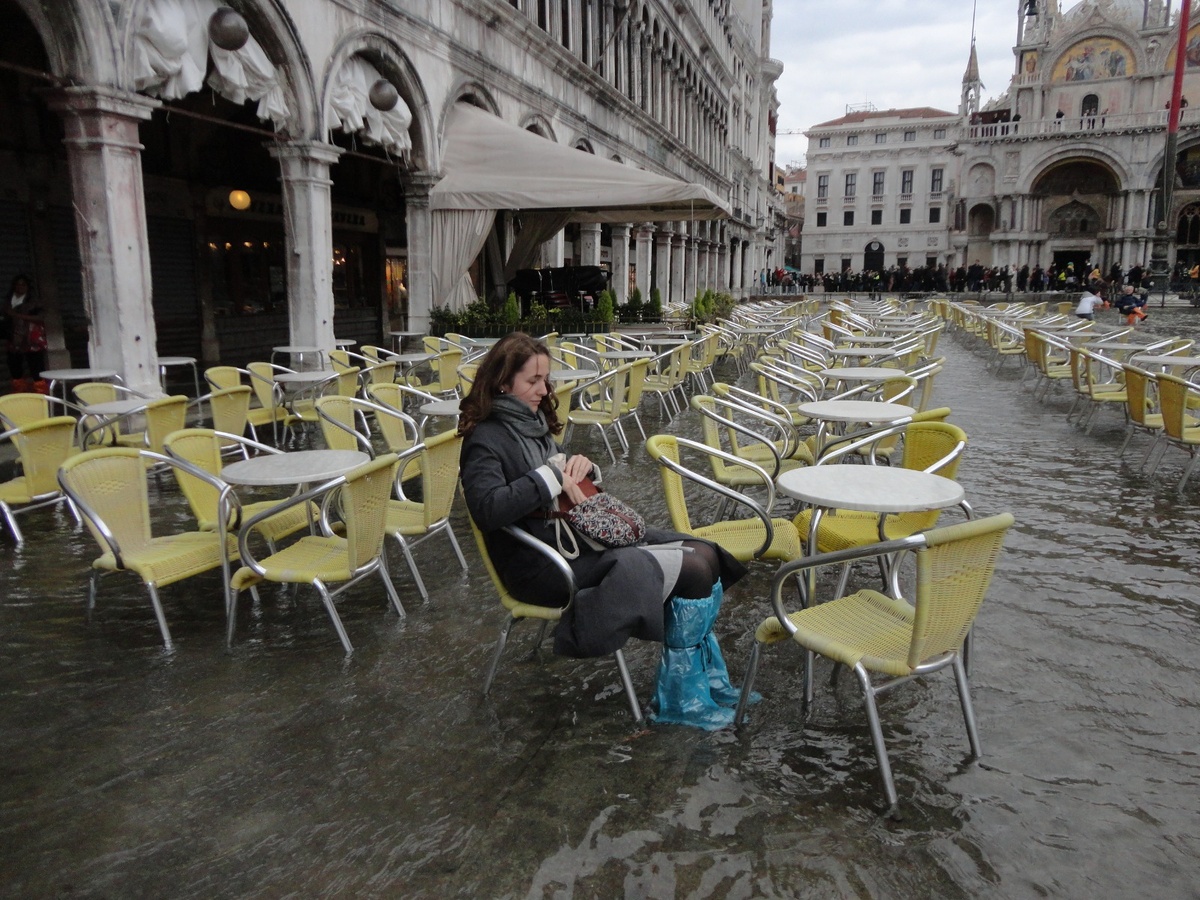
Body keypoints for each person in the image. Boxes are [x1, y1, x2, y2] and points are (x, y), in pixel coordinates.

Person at [458, 332, 748, 727]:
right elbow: (487, 510)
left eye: (545, 380)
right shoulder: (484, 438)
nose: (544, 391)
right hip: (541, 567)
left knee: (705, 553)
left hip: (575, 543)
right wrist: (551, 476)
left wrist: (582, 468)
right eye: (533, 381)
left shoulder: (532, 421)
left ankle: (707, 679)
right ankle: (683, 700)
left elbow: (557, 479)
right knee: (694, 568)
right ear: (502, 382)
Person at [2, 274, 47, 394]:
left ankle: (41, 395)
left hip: (31, 339)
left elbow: (41, 317)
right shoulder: (8, 301)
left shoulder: (34, 301)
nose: (20, 287)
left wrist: (18, 315)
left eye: (23, 284)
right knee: (15, 368)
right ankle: (20, 394)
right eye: (17, 284)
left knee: (36, 368)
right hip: (14, 340)